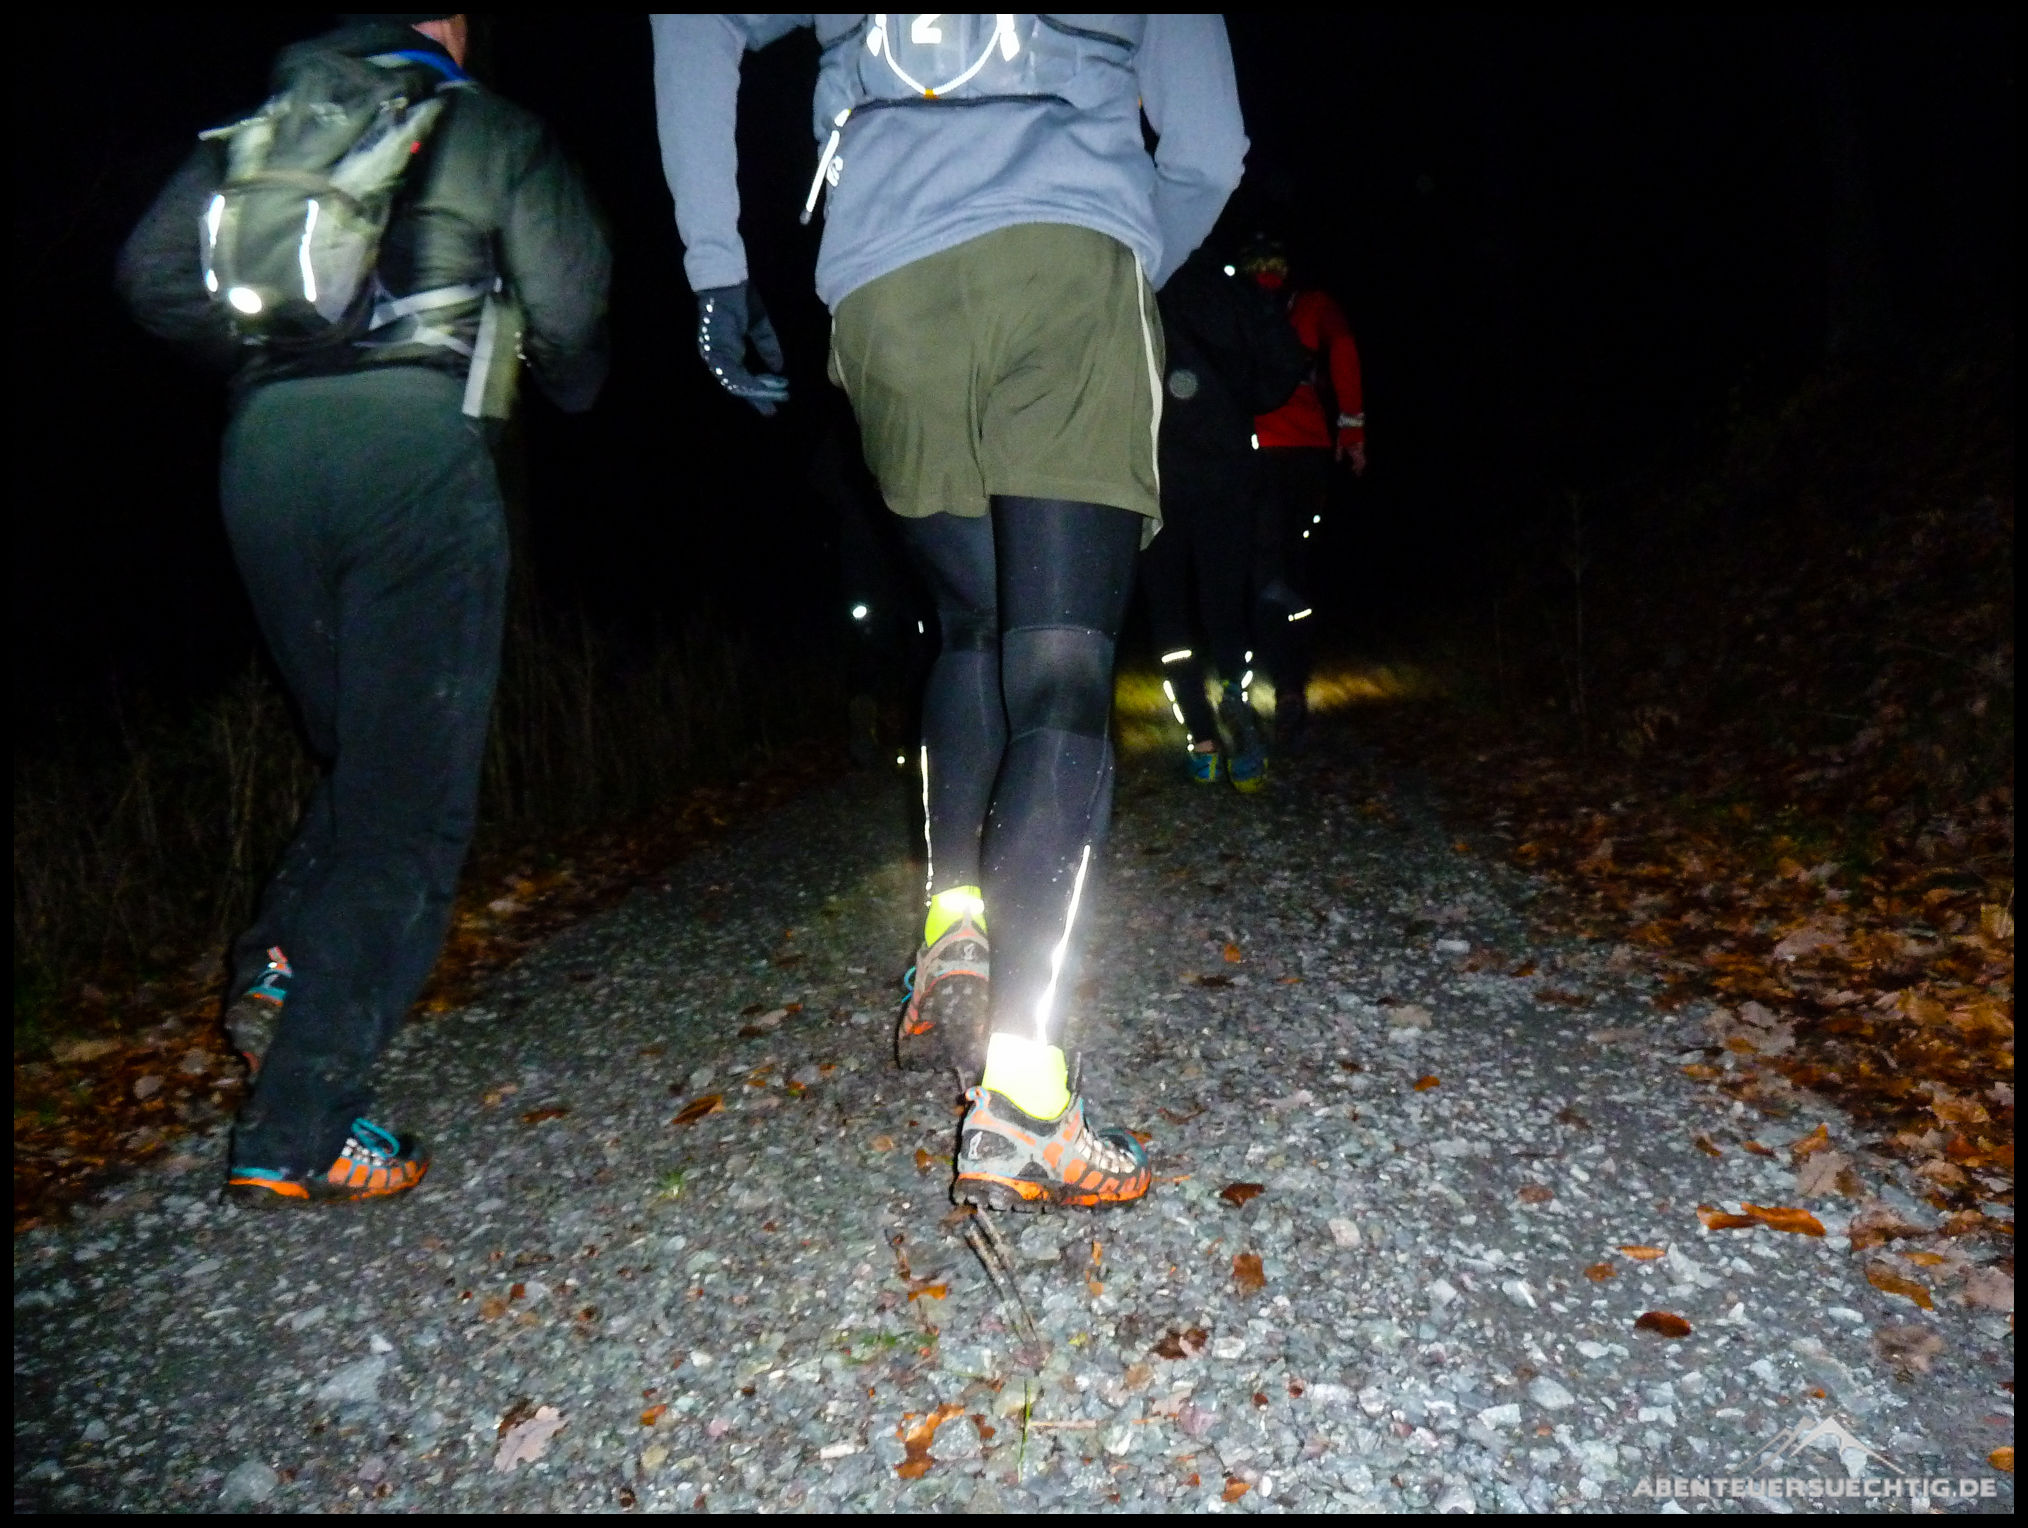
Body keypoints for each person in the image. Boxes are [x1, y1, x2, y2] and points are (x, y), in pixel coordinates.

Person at [653, 13, 1245, 1211]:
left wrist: (716, 265)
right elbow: (1211, 151)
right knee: (1061, 672)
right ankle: (1027, 1097)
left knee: (975, 622)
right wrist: (1121, 249)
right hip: (1070, 266)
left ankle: (956, 921)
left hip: (891, 284)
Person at [117, 13, 611, 1205]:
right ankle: (300, 1125)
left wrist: (270, 358)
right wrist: (568, 383)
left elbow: (151, 274)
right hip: (415, 461)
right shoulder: (489, 125)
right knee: (411, 811)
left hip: (267, 457)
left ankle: (280, 961)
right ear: (446, 23)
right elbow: (575, 302)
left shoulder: (262, 128)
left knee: (363, 755)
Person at [1143, 248, 1308, 790]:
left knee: (1169, 606)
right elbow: (1286, 361)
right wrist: (1240, 398)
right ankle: (1237, 705)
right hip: (1226, 467)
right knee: (1224, 601)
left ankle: (1202, 738)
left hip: (1155, 471)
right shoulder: (1223, 284)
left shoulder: (1132, 276)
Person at [1238, 233, 1366, 748]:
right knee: (1295, 566)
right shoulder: (1313, 305)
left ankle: (1245, 681)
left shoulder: (1235, 305)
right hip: (1308, 455)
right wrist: (1352, 428)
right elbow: (1346, 348)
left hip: (1251, 456)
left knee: (1259, 567)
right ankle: (1291, 687)